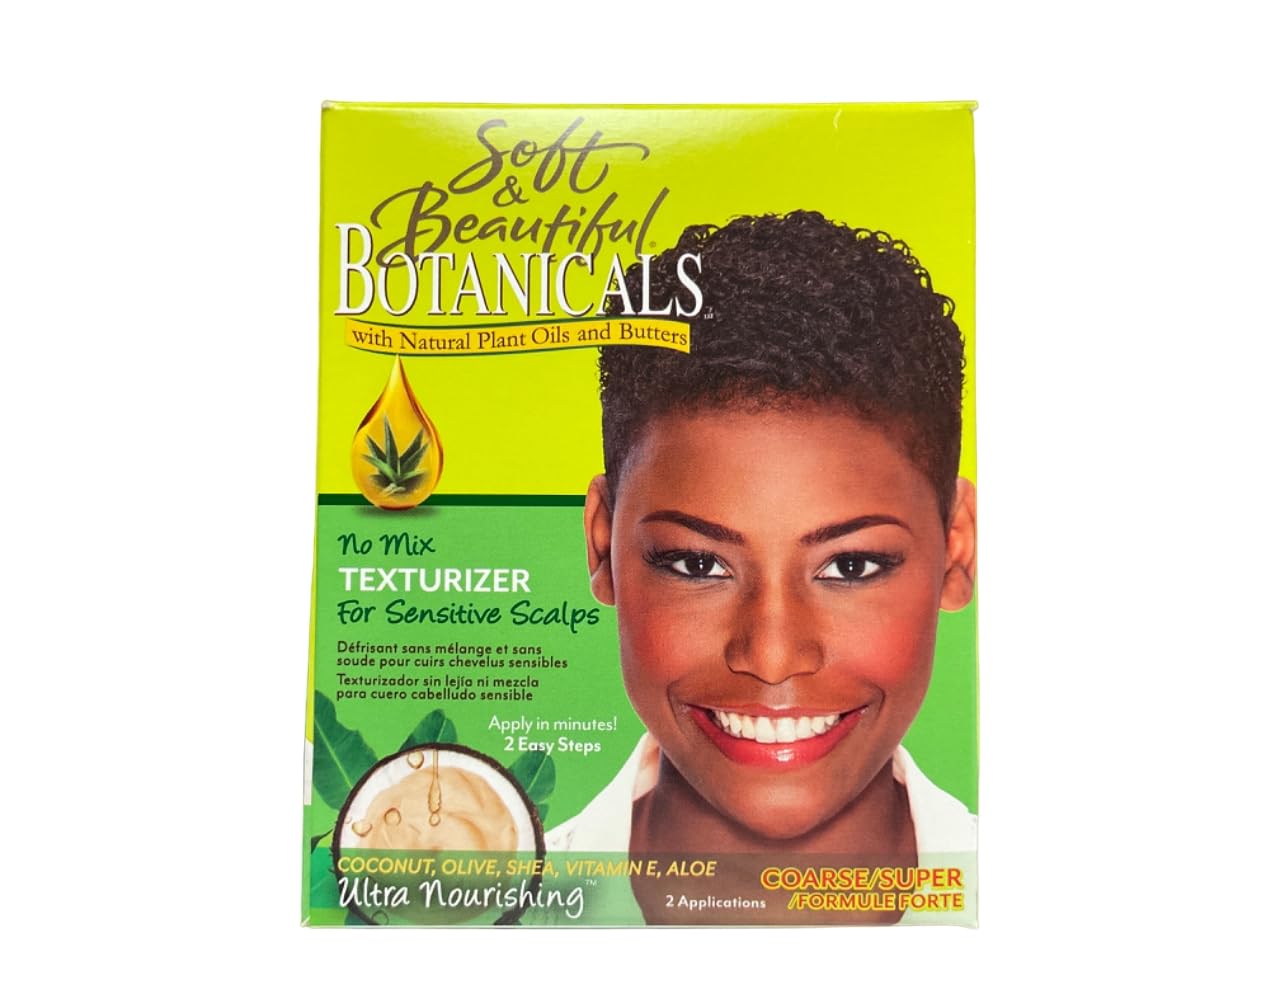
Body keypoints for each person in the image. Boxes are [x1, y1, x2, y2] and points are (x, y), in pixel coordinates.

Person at [547, 211, 977, 925]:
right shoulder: (481, 919)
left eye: (851, 566)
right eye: (697, 563)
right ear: (602, 547)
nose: (772, 657)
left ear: (955, 551)